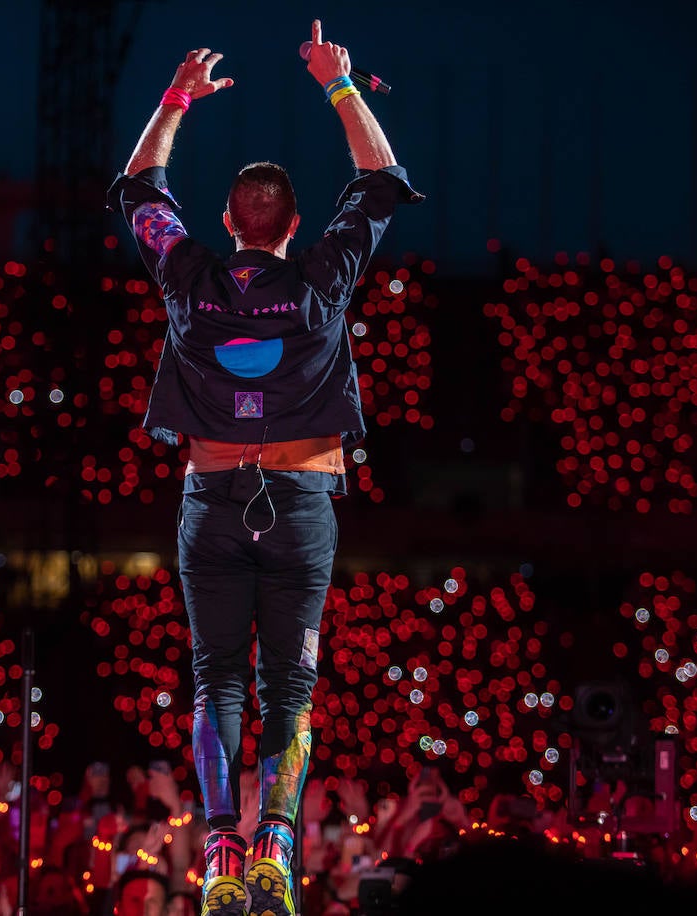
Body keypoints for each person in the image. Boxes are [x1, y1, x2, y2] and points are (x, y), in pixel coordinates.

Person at [107, 18, 423, 916]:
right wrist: (337, 82)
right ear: (294, 226)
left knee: (217, 679)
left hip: (211, 498)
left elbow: (137, 185)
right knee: (289, 681)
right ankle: (277, 841)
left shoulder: (189, 277)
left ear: (226, 223)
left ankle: (219, 852)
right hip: (304, 498)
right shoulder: (324, 275)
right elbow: (379, 179)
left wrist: (175, 97)